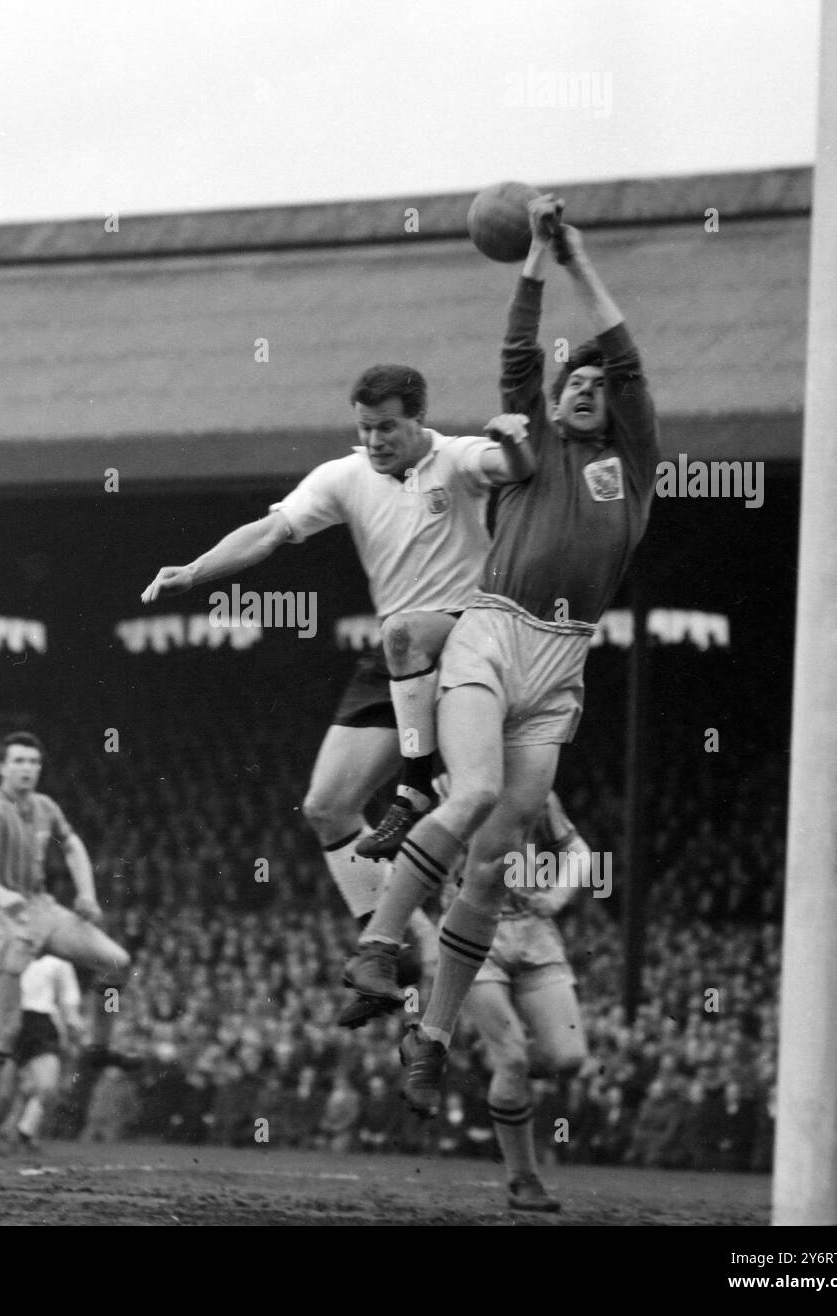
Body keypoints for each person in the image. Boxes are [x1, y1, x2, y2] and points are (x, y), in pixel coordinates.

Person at [343, 197, 659, 1120]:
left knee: (490, 866)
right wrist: (535, 263)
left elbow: (626, 354)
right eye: (575, 382)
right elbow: (519, 356)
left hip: (563, 667)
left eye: (601, 384)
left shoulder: (630, 466)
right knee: (471, 791)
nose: (587, 387)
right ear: (555, 400)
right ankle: (378, 940)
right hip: (495, 625)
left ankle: (429, 1035)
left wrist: (580, 254)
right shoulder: (532, 448)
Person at [141, 370, 534, 1016]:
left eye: (386, 427)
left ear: (418, 421)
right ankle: (395, 948)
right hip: (399, 657)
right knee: (327, 806)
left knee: (467, 786)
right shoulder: (343, 477)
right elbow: (267, 533)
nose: (374, 440)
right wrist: (195, 570)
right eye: (364, 428)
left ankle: (413, 791)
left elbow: (514, 465)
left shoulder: (458, 458)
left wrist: (516, 439)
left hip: (467, 642)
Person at [0, 731, 132, 1154]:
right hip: (2, 918)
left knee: (117, 962)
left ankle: (99, 1046)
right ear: (1, 767)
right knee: (5, 1028)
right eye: (18, 761)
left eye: (33, 761)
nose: (27, 768)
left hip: (43, 909)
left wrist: (86, 893)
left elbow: (71, 844)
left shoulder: (45, 807)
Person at [459, 791, 590, 1212]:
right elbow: (405, 862)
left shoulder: (539, 792)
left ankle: (500, 1073)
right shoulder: (446, 790)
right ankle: (523, 1179)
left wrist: (557, 896)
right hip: (473, 933)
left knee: (569, 1058)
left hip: (534, 931)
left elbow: (578, 850)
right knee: (513, 1058)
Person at [12, 953, 84, 1149]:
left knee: (46, 1087)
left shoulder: (60, 962)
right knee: (4, 1091)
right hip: (11, 1018)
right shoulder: (13, 951)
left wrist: (73, 1028)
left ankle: (24, 1131)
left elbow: (69, 1004)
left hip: (40, 1024)